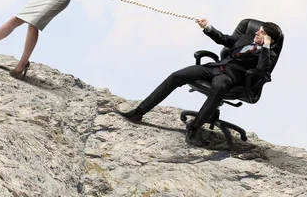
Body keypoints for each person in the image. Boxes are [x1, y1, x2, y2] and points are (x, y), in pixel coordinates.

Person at [119, 18, 282, 143]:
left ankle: (194, 129)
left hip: (230, 77)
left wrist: (266, 47)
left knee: (218, 88)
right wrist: (207, 27)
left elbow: (262, 69)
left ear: (269, 39)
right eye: (258, 31)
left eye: (260, 33)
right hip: (215, 67)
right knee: (177, 76)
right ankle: (139, 112)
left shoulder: (268, 54)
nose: (256, 33)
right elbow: (225, 39)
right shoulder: (246, 37)